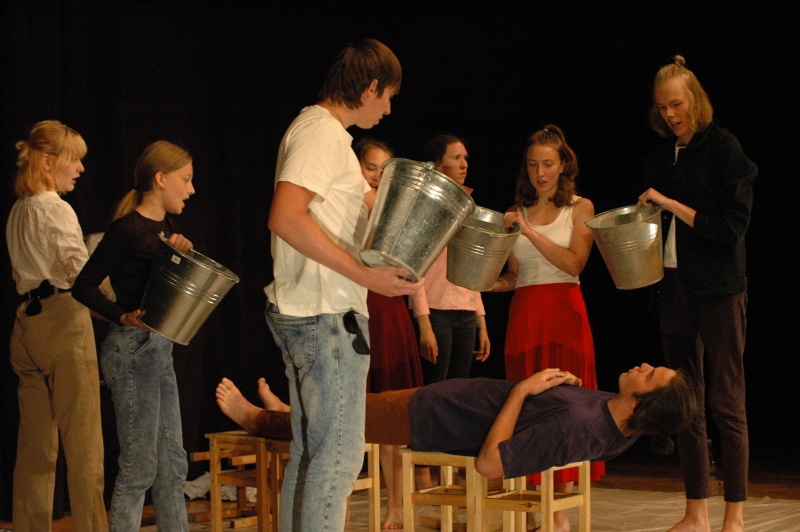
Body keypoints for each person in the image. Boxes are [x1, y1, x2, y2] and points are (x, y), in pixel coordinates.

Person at [264, 39, 421, 532]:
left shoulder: (324, 134)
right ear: (370, 87)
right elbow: (286, 217)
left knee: (316, 454)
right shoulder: (322, 133)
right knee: (338, 457)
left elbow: (337, 215)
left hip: (315, 311)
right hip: (324, 313)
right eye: (388, 97)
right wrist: (364, 275)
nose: (388, 109)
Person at [216, 363, 696, 481]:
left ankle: (259, 419)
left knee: (341, 419)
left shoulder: (581, 424)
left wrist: (524, 390)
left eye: (649, 374)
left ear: (642, 405)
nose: (642, 366)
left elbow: (491, 466)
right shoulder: (616, 422)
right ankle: (287, 413)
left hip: (440, 418)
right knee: (353, 409)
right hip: (452, 403)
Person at [637, 55, 756, 532]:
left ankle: (735, 516)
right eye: (662, 107)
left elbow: (730, 229)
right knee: (683, 401)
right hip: (676, 288)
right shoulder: (664, 154)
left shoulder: (724, 148)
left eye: (677, 104)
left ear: (695, 100)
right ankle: (696, 513)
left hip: (720, 289)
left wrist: (669, 204)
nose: (669, 114)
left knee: (727, 401)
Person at [72, 140, 196, 531]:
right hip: (131, 352)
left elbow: (162, 288)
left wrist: (181, 255)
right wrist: (121, 316)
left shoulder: (167, 227)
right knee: (139, 465)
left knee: (172, 462)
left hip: (158, 348)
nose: (191, 189)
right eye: (185, 180)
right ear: (161, 179)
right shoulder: (126, 229)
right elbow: (83, 285)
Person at [490, 125, 598, 529]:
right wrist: (488, 284)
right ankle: (538, 510)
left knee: (566, 407)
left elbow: (574, 263)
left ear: (564, 164)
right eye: (533, 164)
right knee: (527, 409)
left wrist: (529, 232)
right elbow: (517, 275)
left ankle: (560, 514)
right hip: (526, 312)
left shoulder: (580, 208)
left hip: (564, 310)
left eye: (548, 164)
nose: (540, 172)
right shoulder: (517, 211)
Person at [6, 120, 107, 532]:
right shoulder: (54, 207)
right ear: (47, 162)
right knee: (84, 445)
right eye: (74, 160)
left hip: (26, 325)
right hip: (63, 321)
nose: (80, 169)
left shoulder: (18, 210)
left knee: (35, 448)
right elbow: (81, 276)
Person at [354, 137, 425, 529]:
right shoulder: (346, 205)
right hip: (355, 311)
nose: (378, 177)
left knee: (392, 420)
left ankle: (394, 507)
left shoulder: (398, 213)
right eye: (370, 168)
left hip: (390, 316)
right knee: (353, 415)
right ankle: (342, 503)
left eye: (385, 171)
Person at [410, 134, 490, 384]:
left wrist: (481, 322)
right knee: (436, 388)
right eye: (456, 158)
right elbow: (414, 269)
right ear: (437, 165)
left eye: (465, 158)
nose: (464, 164)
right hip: (436, 312)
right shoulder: (423, 207)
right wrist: (425, 325)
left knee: (459, 389)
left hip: (466, 313)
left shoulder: (468, 207)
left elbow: (471, 266)